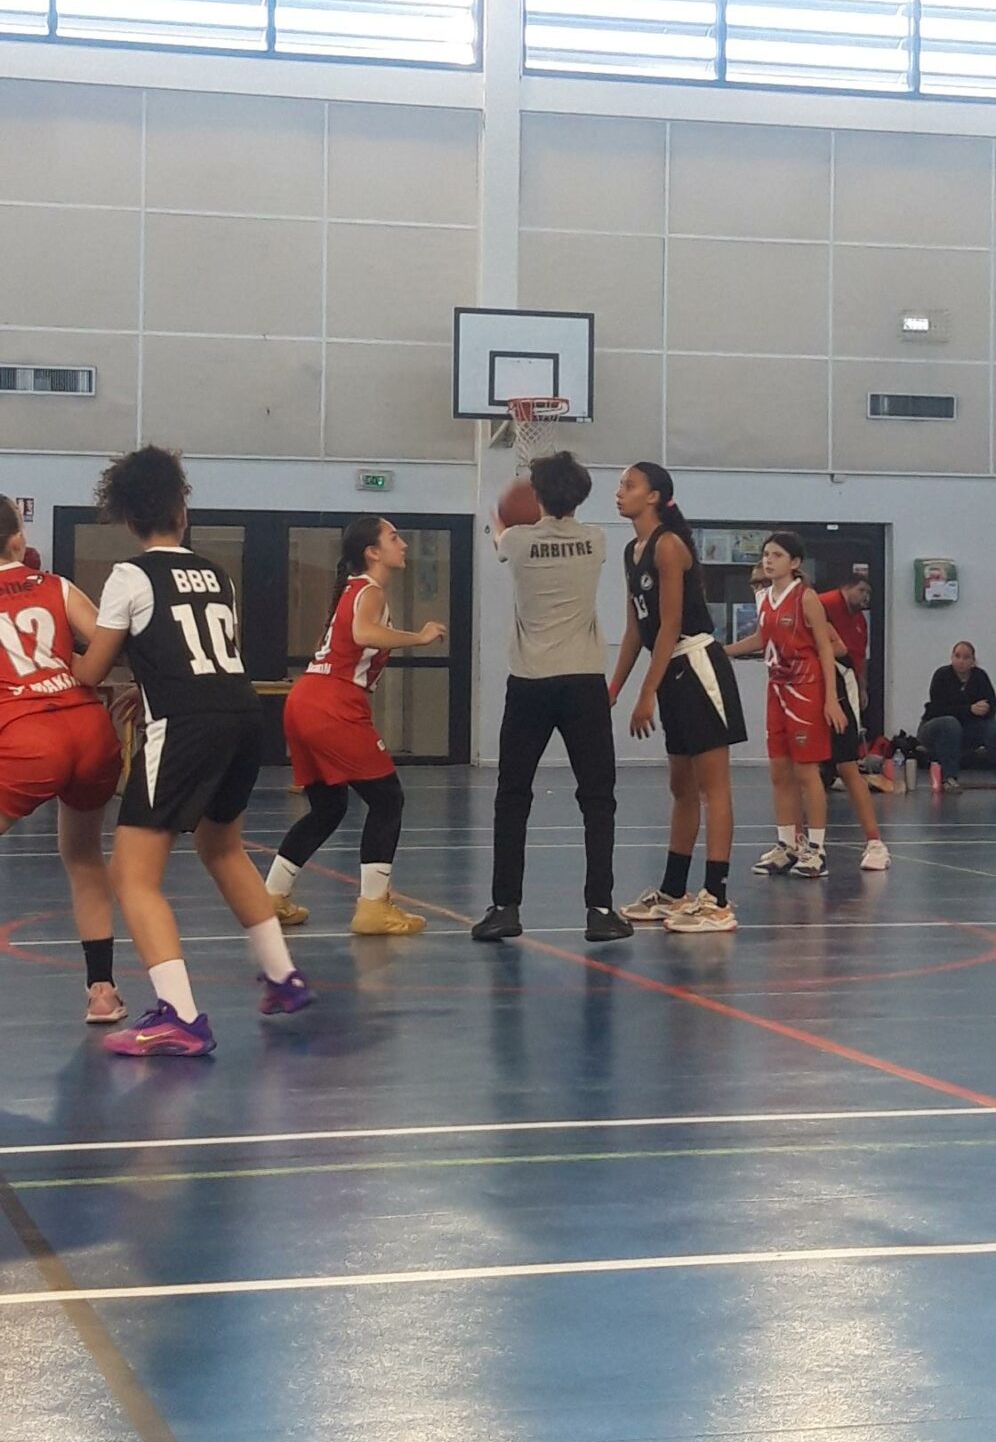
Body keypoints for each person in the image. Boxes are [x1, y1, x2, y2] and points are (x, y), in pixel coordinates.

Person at [73, 446, 312, 1058]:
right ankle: (283, 976)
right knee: (222, 847)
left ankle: (179, 1015)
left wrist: (53, 662)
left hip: (185, 727)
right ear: (182, 511)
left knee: (132, 875)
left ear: (128, 518)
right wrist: (148, 686)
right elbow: (196, 655)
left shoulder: (130, 575)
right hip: (242, 715)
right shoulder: (216, 574)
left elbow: (92, 670)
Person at [472, 451, 630, 944]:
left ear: (537, 495)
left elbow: (500, 533)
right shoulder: (597, 540)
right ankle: (600, 909)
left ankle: (505, 907)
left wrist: (501, 512)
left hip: (530, 682)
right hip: (584, 682)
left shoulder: (517, 543)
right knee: (598, 798)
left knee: (512, 795)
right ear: (581, 496)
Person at [264, 517, 444, 936]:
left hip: (304, 699)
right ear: (372, 552)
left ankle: (272, 895)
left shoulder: (352, 589)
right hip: (332, 703)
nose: (403, 544)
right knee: (387, 799)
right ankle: (373, 906)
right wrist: (418, 637)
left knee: (328, 808)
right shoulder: (371, 590)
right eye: (394, 537)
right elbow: (364, 633)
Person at [0, 494, 126, 1025]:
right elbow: (108, 640)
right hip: (89, 727)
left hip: (29, 735)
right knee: (84, 856)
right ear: (18, 539)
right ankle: (103, 991)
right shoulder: (56, 585)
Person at [612, 463, 746, 934]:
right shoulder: (632, 551)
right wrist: (613, 688)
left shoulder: (668, 545)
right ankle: (674, 890)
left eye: (629, 485)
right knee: (681, 788)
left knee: (714, 787)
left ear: (653, 496)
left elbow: (670, 625)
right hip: (670, 670)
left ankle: (718, 899)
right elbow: (636, 630)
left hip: (697, 663)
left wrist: (646, 692)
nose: (619, 492)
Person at [727, 530, 846, 880]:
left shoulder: (806, 597)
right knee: (779, 771)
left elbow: (826, 648)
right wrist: (722, 651)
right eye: (766, 554)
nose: (768, 560)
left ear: (794, 562)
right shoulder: (763, 597)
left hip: (806, 688)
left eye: (777, 555)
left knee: (807, 772)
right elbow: (761, 638)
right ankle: (787, 844)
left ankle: (816, 849)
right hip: (777, 688)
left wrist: (830, 699)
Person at [918, 641, 996, 794]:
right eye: (957, 656)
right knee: (950, 723)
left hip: (967, 729)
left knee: (993, 727)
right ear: (952, 657)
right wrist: (969, 709)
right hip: (934, 727)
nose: (961, 661)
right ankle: (950, 777)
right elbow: (938, 708)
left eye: (966, 657)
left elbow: (992, 704)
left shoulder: (980, 676)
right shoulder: (942, 675)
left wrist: (986, 709)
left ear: (973, 661)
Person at [820, 576, 871, 713]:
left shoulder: (859, 619)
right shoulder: (827, 602)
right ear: (846, 587)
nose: (865, 597)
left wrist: (862, 688)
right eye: (861, 590)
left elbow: (861, 656)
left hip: (849, 676)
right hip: (827, 673)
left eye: (868, 593)